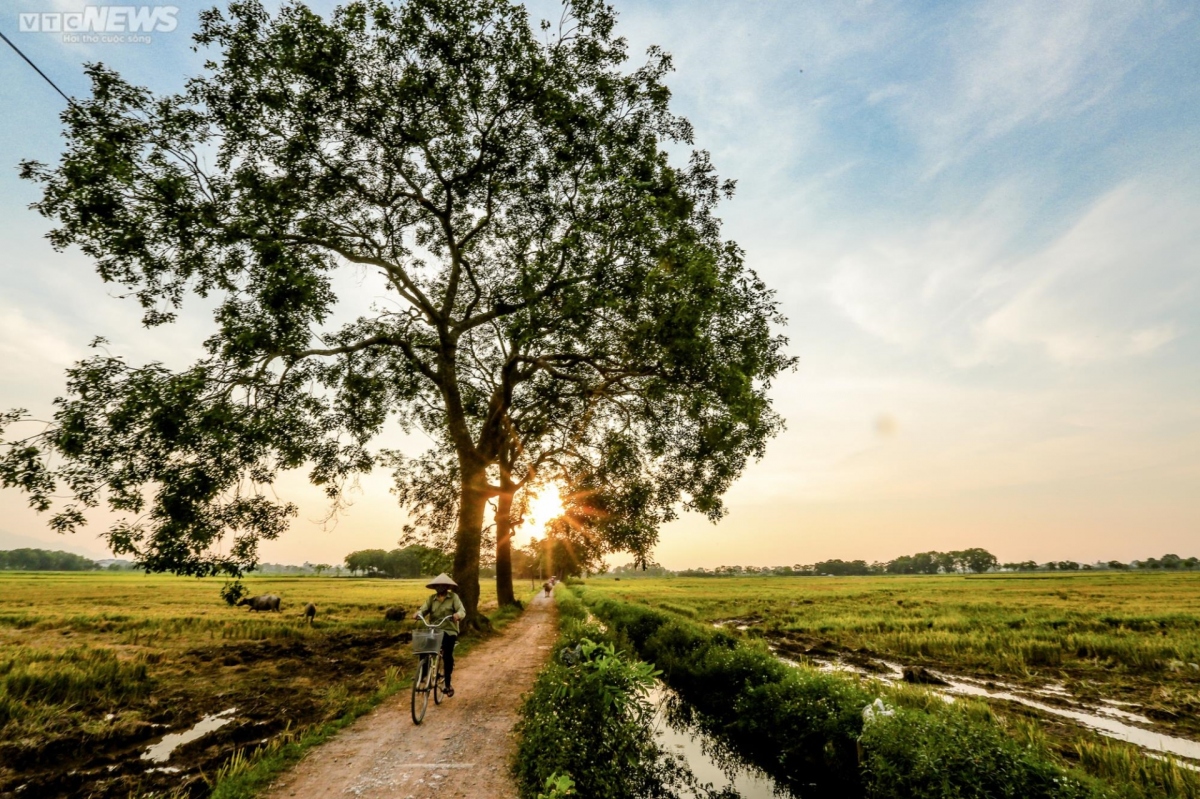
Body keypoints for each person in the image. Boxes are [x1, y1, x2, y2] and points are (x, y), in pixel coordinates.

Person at [418, 573, 466, 697]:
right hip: (434, 629)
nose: (439, 587)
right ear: (434, 587)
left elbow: (461, 610)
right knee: (423, 647)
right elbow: (423, 609)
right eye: (437, 585)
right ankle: (423, 676)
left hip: (449, 630)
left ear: (446, 586)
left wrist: (457, 615)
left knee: (447, 654)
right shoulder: (431, 599)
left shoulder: (453, 597)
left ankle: (447, 684)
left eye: (442, 585)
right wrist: (418, 614)